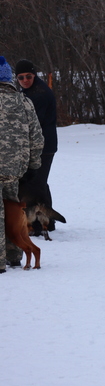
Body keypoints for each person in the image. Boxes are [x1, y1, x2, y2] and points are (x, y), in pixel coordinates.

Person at [0, 56, 44, 273]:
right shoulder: (24, 102)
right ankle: (14, 255)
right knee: (12, 212)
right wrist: (34, 165)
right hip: (15, 169)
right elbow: (37, 138)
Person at [15, 59, 59, 236]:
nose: (25, 80)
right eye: (21, 77)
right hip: (39, 145)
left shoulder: (39, 94)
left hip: (43, 146)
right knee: (39, 183)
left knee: (36, 185)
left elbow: (32, 123)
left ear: (34, 75)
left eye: (28, 76)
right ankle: (48, 221)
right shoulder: (29, 91)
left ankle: (39, 224)